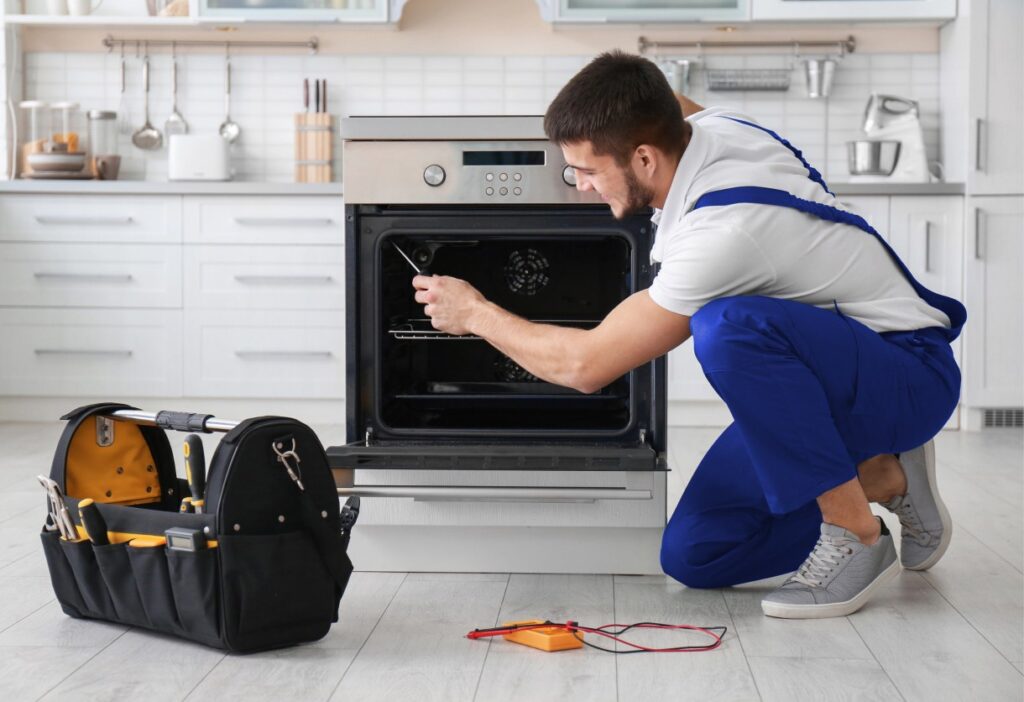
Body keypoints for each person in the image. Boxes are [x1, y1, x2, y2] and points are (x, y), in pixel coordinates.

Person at [411, 51, 964, 619]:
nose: (579, 186)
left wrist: (474, 312)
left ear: (645, 157)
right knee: (696, 555)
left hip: (906, 374)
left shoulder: (721, 236)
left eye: (590, 170)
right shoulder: (713, 128)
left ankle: (856, 537)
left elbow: (585, 366)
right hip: (833, 374)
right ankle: (884, 474)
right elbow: (658, 93)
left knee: (727, 329)